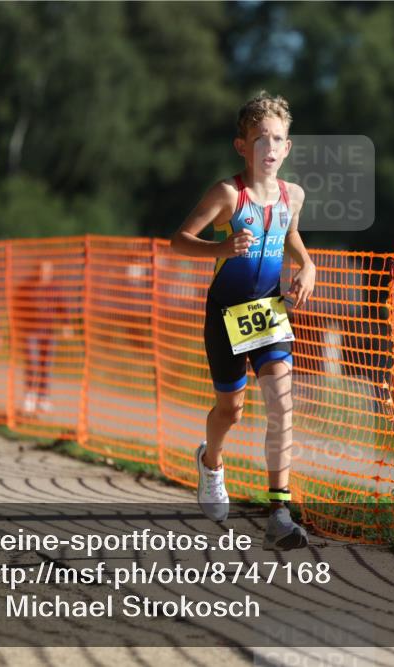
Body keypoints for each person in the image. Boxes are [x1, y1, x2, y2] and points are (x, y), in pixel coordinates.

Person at [170, 91, 316, 550]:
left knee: (281, 403)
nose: (268, 149)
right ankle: (211, 463)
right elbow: (179, 240)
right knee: (231, 410)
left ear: (287, 147)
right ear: (242, 146)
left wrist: (307, 265)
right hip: (226, 312)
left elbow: (290, 235)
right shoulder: (228, 194)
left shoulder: (293, 195)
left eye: (276, 140)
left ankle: (279, 511)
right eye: (259, 140)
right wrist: (218, 249)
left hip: (268, 312)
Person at [14, 259, 65, 414]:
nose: (44, 272)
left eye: (47, 269)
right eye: (41, 269)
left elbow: (62, 307)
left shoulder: (54, 288)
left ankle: (43, 398)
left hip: (48, 332)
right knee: (32, 363)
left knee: (46, 365)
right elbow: (17, 306)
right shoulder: (27, 288)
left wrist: (66, 324)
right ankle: (30, 395)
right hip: (31, 331)